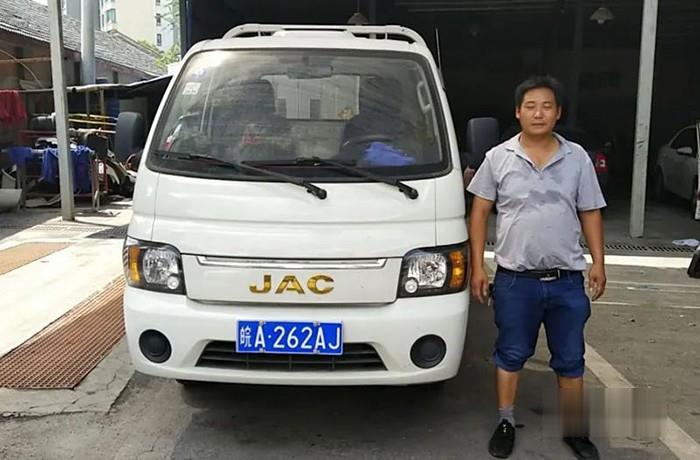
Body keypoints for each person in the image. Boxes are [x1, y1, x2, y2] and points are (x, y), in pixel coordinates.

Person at [467, 75, 607, 459]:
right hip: (516, 281)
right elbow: (479, 212)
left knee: (571, 359)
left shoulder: (577, 158)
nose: (538, 113)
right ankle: (506, 422)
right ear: (518, 112)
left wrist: (599, 262)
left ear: (558, 112)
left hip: (566, 281)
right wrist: (478, 267)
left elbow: (590, 211)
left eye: (547, 106)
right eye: (530, 106)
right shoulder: (498, 158)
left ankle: (575, 430)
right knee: (510, 353)